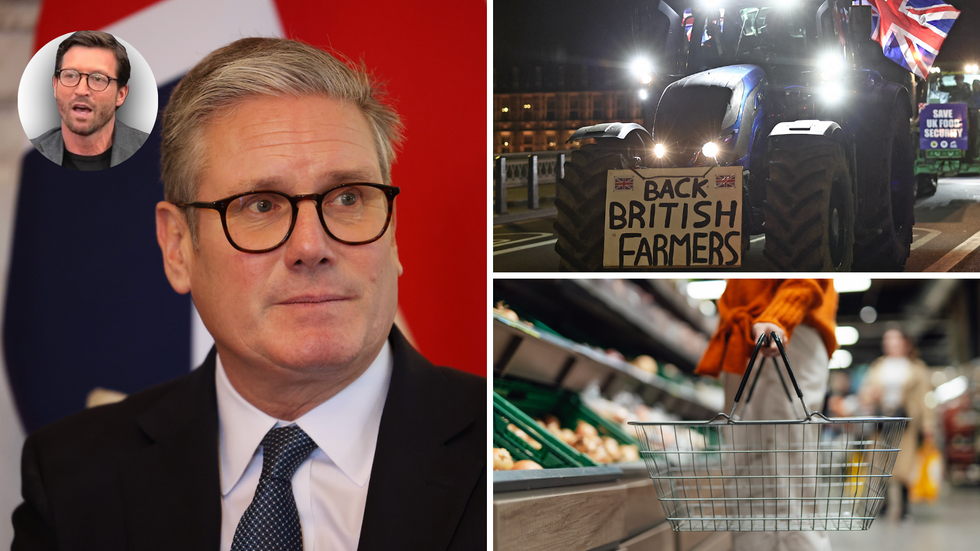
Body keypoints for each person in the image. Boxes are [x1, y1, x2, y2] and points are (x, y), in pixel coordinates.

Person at [12, 37, 485, 551]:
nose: (311, 245)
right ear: (177, 248)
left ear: (393, 232)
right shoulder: (71, 475)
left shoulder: (510, 452)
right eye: (260, 205)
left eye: (349, 197)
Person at [696, 279, 837, 551]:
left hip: (781, 333)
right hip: (747, 336)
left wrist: (778, 316)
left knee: (783, 478)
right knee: (751, 472)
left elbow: (810, 263)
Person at [29, 31, 148, 170]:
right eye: (71, 75)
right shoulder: (31, 157)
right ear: (55, 85)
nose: (81, 90)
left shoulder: (149, 152)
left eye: (98, 78)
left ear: (120, 95)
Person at [858, 327, 933, 523]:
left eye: (895, 340)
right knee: (880, 463)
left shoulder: (917, 368)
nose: (890, 344)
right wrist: (870, 395)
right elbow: (865, 392)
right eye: (887, 340)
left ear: (905, 343)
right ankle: (883, 505)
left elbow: (924, 400)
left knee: (904, 464)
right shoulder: (878, 366)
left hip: (906, 421)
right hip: (882, 421)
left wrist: (928, 426)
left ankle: (905, 507)